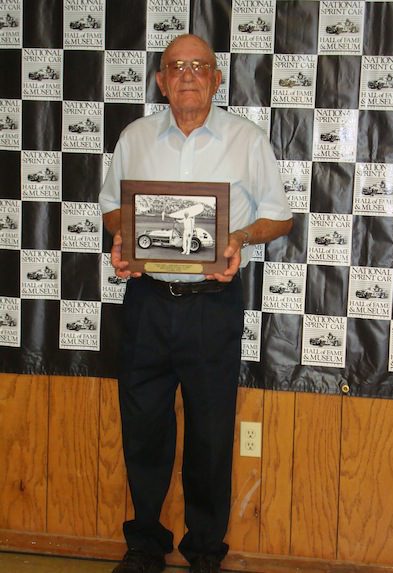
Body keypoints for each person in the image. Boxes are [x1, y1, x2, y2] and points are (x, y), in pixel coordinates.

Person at [99, 34, 293, 573]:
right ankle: (144, 546)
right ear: (161, 80)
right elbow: (112, 209)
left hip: (213, 305)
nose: (187, 74)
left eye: (199, 66)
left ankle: (205, 551)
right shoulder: (134, 137)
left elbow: (280, 216)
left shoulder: (246, 139)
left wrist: (238, 237)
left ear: (216, 78)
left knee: (210, 433)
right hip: (147, 300)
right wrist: (125, 236)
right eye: (175, 66)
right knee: (143, 428)